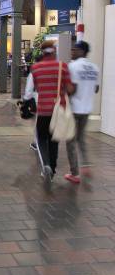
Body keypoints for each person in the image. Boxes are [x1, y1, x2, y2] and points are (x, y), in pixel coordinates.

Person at [26, 40, 74, 187]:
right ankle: (52, 170)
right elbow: (70, 89)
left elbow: (31, 91)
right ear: (54, 50)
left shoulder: (35, 68)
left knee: (41, 140)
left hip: (43, 111)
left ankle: (45, 164)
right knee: (54, 141)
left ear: (42, 52)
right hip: (58, 110)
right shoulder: (62, 66)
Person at [65, 41, 99, 183]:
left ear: (82, 51)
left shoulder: (73, 66)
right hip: (87, 109)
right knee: (81, 138)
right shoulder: (94, 67)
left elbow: (72, 89)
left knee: (70, 141)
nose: (72, 52)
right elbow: (96, 89)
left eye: (74, 50)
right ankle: (85, 164)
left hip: (74, 109)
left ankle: (75, 173)